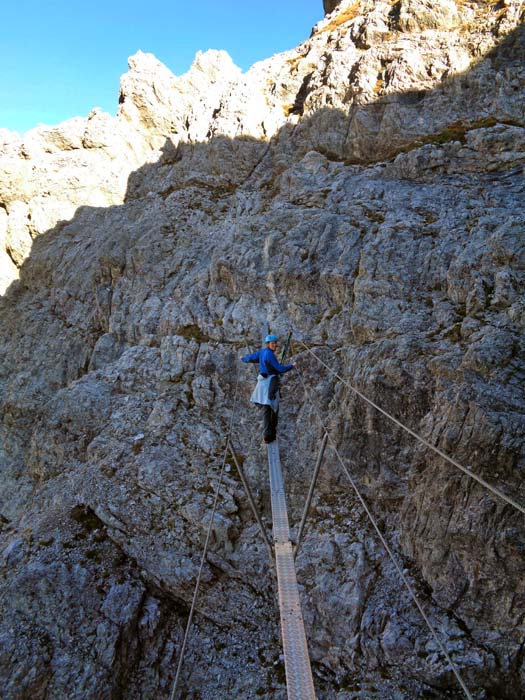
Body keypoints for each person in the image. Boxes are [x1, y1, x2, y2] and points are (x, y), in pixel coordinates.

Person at [241, 334, 294, 444]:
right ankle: (270, 434)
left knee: (266, 407)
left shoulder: (262, 352)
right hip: (270, 383)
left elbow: (251, 358)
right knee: (273, 407)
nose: (275, 345)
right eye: (273, 343)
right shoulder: (269, 355)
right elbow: (279, 369)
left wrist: (243, 359)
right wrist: (292, 366)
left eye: (275, 343)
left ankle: (268, 434)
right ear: (268, 344)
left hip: (262, 382)